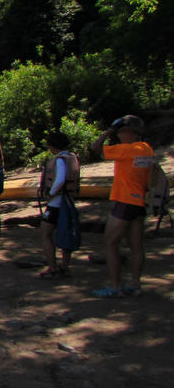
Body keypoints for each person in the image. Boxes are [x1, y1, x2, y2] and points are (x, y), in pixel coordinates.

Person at [89, 114, 154, 298]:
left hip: (125, 201)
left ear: (131, 132)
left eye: (121, 131)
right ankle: (135, 283)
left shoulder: (126, 150)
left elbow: (95, 148)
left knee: (110, 243)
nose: (118, 135)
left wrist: (108, 131)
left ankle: (115, 286)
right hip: (140, 202)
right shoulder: (147, 149)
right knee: (136, 246)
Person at [37, 131, 81, 279]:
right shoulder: (71, 157)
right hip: (68, 201)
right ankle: (64, 266)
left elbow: (60, 180)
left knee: (46, 233)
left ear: (52, 145)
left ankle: (53, 268)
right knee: (64, 232)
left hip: (56, 203)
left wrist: (51, 193)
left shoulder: (60, 160)